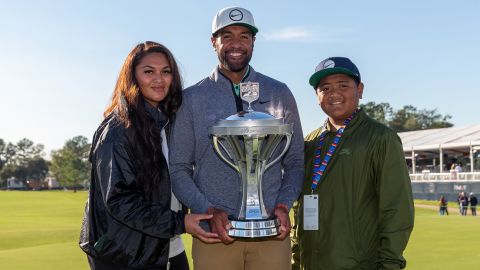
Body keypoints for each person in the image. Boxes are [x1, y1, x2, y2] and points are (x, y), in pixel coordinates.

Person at [169, 6, 304, 270]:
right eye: (227, 36)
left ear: (253, 41)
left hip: (271, 232)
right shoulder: (191, 98)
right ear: (213, 42)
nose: (236, 44)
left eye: (244, 36)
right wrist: (208, 209)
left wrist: (283, 204)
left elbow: (296, 160)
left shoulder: (280, 92)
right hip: (215, 234)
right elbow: (178, 168)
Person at [79, 41, 219, 270]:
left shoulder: (166, 124)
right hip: (126, 255)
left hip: (168, 247)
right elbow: (120, 200)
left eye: (166, 72)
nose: (159, 79)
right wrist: (180, 222)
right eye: (148, 71)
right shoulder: (118, 130)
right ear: (132, 77)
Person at [292, 57, 415, 269]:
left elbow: (397, 209)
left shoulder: (381, 138)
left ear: (360, 89)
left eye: (343, 85)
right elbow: (300, 208)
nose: (334, 93)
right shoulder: (309, 142)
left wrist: (389, 265)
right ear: (317, 96)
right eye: (325, 88)